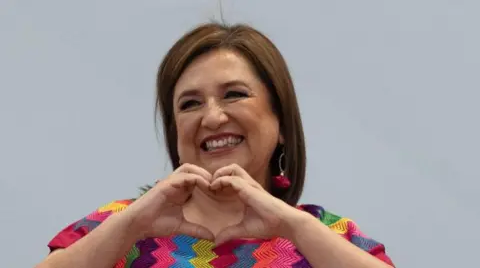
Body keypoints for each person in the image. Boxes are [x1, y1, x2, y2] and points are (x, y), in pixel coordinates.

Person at [37, 22, 395, 268]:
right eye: (189, 104)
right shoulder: (118, 225)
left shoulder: (331, 234)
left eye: (234, 95)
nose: (211, 118)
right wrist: (130, 227)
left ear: (282, 123)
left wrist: (293, 227)